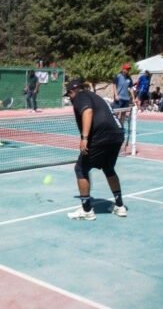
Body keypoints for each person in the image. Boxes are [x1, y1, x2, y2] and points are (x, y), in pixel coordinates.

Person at [64, 78, 128, 221]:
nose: (70, 98)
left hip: (100, 136)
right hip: (117, 135)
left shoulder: (80, 96)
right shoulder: (96, 96)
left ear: (73, 91)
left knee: (80, 169)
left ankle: (86, 210)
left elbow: (87, 111)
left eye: (69, 94)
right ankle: (120, 206)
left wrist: (84, 138)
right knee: (109, 168)